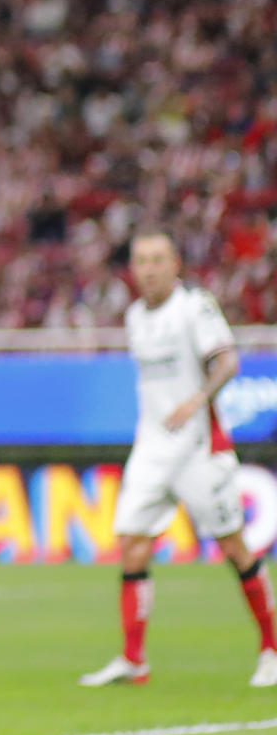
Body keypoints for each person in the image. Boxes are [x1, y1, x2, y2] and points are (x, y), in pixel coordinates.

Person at [80, 229, 276, 688]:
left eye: (157, 260)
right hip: (151, 447)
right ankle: (134, 660)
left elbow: (227, 361)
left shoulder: (194, 307)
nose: (148, 269)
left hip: (198, 448)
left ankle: (270, 648)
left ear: (175, 265)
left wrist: (197, 399)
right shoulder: (133, 317)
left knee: (233, 546)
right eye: (141, 261)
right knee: (131, 543)